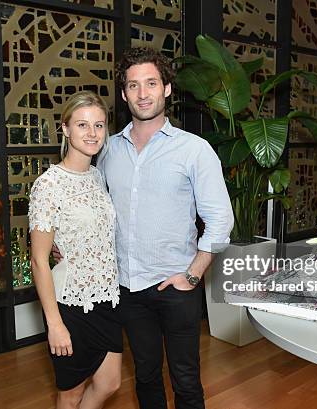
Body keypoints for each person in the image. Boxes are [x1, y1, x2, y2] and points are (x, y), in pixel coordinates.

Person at [98, 47, 234, 409]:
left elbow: (221, 219)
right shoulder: (108, 150)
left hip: (177, 286)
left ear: (167, 89)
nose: (143, 93)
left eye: (151, 83)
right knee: (145, 377)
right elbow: (94, 209)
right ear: (124, 93)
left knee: (186, 381)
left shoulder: (194, 150)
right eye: (133, 85)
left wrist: (192, 276)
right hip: (128, 287)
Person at [28, 90, 122, 409]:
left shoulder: (97, 177)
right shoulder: (48, 185)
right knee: (71, 392)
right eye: (82, 125)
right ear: (66, 129)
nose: (92, 133)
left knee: (110, 383)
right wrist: (55, 325)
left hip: (106, 297)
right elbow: (39, 260)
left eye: (99, 125)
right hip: (70, 303)